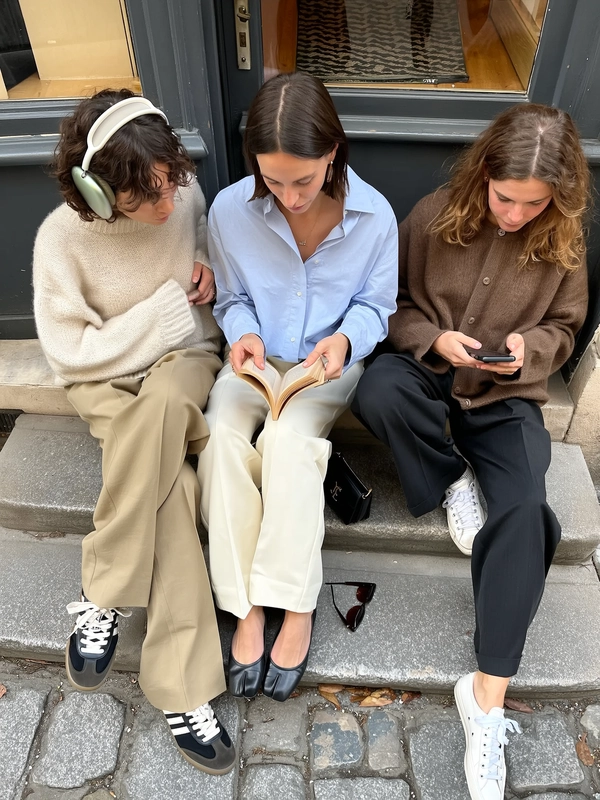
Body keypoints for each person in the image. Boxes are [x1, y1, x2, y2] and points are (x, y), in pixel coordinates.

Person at [351, 103, 590, 800]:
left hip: (505, 399)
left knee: (526, 509)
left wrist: (531, 349)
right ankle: (450, 475)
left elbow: (567, 329)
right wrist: (433, 338)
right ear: (485, 172)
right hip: (425, 377)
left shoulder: (563, 245)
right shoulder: (431, 216)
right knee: (380, 393)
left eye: (533, 203)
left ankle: (485, 696)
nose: (515, 214)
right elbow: (385, 304)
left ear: (558, 197)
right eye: (505, 196)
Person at [32, 89, 235, 775]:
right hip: (106, 381)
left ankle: (104, 590)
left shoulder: (182, 193)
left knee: (160, 418)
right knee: (172, 490)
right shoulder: (60, 241)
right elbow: (73, 355)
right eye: (146, 198)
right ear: (95, 189)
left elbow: (209, 263)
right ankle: (185, 688)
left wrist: (207, 274)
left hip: (183, 365)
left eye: (171, 182)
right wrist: (165, 313)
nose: (167, 206)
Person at [197, 72, 398, 702]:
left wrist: (344, 342)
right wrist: (241, 333)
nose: (287, 195)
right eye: (272, 179)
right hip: (255, 362)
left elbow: (377, 304)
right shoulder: (230, 209)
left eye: (302, 180)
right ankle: (246, 606)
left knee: (288, 441)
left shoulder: (375, 217)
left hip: (325, 367)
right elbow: (230, 297)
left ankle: (296, 604)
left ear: (332, 151)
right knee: (223, 435)